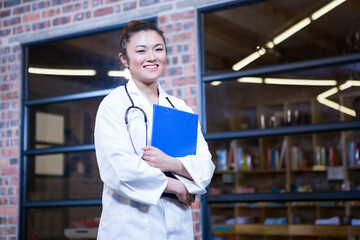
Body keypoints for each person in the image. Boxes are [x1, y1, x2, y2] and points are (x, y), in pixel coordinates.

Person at [94, 20, 215, 239]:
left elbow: (205, 166)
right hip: (131, 226)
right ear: (124, 59)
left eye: (158, 49)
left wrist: (173, 163)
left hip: (178, 225)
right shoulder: (114, 105)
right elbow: (119, 170)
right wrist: (177, 187)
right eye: (141, 51)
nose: (152, 57)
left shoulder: (179, 108)